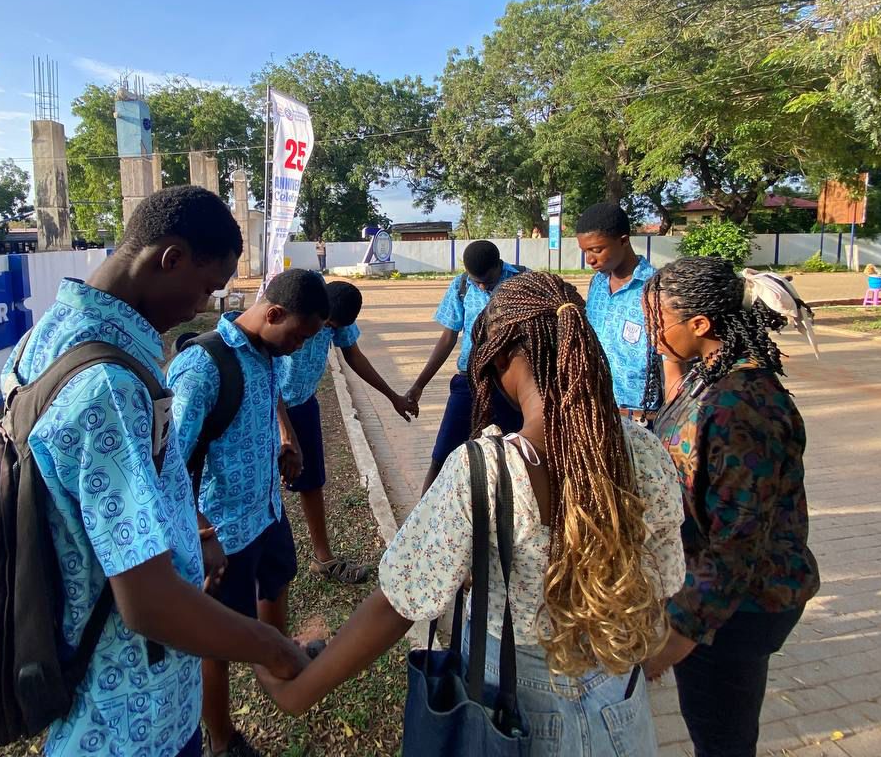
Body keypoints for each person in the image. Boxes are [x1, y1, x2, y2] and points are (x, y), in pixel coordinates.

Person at [254, 272, 685, 757]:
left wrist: (299, 691)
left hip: (512, 707)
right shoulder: (645, 451)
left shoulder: (488, 469)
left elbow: (398, 602)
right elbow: (668, 580)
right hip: (622, 704)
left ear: (501, 356)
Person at [6, 186, 309, 757]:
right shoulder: (109, 387)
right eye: (203, 287)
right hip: (131, 711)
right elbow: (148, 603)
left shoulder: (46, 338)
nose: (201, 307)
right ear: (169, 258)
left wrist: (192, 528)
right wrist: (271, 646)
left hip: (82, 667)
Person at [641, 256, 821, 757]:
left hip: (739, 604)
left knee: (722, 739)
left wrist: (676, 638)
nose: (651, 333)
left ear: (699, 325)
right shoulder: (712, 377)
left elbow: (738, 538)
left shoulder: (743, 405)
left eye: (658, 321)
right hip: (713, 593)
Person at [167, 269, 329, 757]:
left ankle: (278, 660)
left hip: (267, 510)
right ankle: (221, 739)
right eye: (298, 336)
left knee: (275, 584)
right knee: (214, 642)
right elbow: (168, 460)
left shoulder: (268, 349)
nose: (299, 348)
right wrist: (201, 531)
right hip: (224, 529)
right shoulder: (203, 367)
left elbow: (271, 394)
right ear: (273, 313)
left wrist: (287, 436)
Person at [278, 279, 414, 584]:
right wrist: (284, 431)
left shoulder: (336, 318)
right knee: (261, 483)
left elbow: (353, 355)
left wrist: (392, 396)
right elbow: (265, 371)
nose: (325, 329)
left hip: (303, 403)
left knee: (311, 481)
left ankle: (323, 559)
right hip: (266, 406)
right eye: (325, 323)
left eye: (332, 327)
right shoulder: (292, 308)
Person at [406, 239, 526, 494]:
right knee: (443, 453)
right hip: (469, 381)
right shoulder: (461, 286)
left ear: (499, 265)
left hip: (511, 384)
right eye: (476, 280)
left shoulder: (522, 281)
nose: (481, 285)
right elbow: (448, 337)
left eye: (487, 280)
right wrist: (419, 385)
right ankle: (422, 515)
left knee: (519, 455)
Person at [576, 203, 666, 421]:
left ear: (623, 241)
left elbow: (672, 365)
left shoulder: (656, 289)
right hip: (596, 410)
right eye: (585, 251)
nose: (589, 259)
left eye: (596, 250)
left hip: (641, 419)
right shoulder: (597, 283)